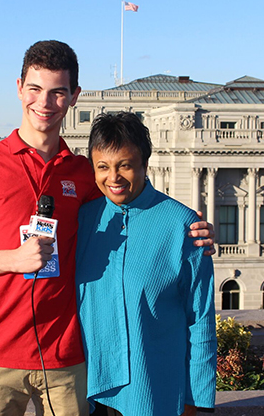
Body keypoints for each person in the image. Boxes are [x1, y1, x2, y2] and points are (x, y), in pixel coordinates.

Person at [0, 40, 214, 416]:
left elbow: (140, 211)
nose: (44, 102)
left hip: (67, 359)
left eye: (58, 92)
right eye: (35, 89)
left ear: (73, 96)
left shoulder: (84, 174)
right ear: (18, 89)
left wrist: (194, 233)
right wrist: (10, 262)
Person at [77, 113, 216, 416]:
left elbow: (201, 318)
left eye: (124, 165)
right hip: (86, 394)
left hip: (153, 392)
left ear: (144, 164)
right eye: (103, 167)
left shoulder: (183, 226)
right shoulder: (82, 220)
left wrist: (195, 401)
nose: (113, 178)